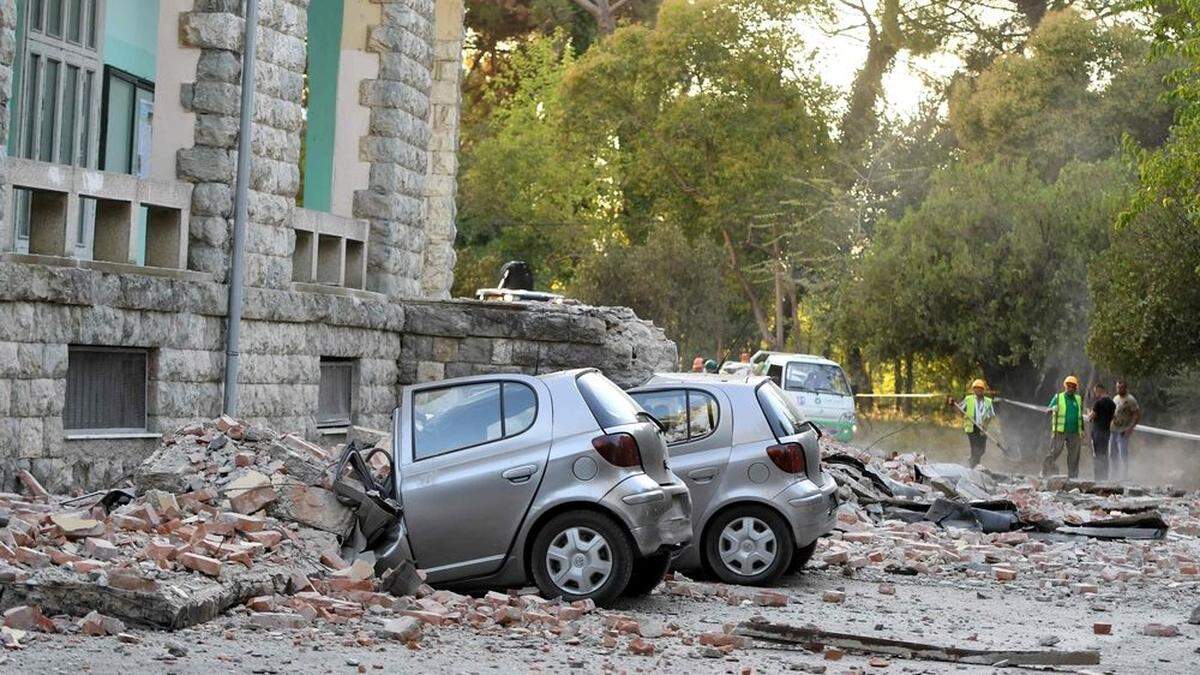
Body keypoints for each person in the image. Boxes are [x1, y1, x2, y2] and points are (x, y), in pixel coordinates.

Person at [1042, 375, 1086, 478]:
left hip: (1075, 432)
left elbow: (1080, 416)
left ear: (1076, 388)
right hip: (1060, 431)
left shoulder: (1078, 399)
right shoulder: (1058, 397)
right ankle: (1045, 472)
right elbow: (1047, 411)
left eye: (1073, 386)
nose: (1070, 388)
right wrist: (1053, 408)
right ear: (1065, 386)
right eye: (1068, 386)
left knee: (1074, 456)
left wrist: (1082, 430)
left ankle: (1073, 477)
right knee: (1054, 452)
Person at [951, 379, 995, 468]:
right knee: (975, 448)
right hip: (971, 427)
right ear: (973, 390)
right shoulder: (968, 399)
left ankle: (973, 461)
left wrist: (985, 425)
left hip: (982, 428)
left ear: (983, 390)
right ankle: (974, 466)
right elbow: (959, 408)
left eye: (980, 388)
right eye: (976, 388)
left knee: (982, 450)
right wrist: (953, 404)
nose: (978, 390)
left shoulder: (988, 401)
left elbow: (990, 415)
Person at [1109, 380, 1141, 480]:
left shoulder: (1130, 400)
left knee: (1123, 455)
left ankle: (1124, 477)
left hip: (1123, 431)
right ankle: (1114, 475)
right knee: (1112, 454)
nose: (1119, 389)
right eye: (1118, 387)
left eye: (1121, 387)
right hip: (1113, 430)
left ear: (1125, 388)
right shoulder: (1115, 398)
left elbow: (1137, 415)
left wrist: (1130, 428)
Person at [1087, 383, 1116, 481]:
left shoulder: (1098, 403)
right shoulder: (1112, 404)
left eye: (1096, 392)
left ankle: (1098, 478)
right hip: (1107, 431)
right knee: (1104, 454)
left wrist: (1089, 413)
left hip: (1097, 432)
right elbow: (1112, 418)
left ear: (1099, 390)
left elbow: (1091, 417)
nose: (1095, 394)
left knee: (1098, 455)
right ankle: (1105, 476)